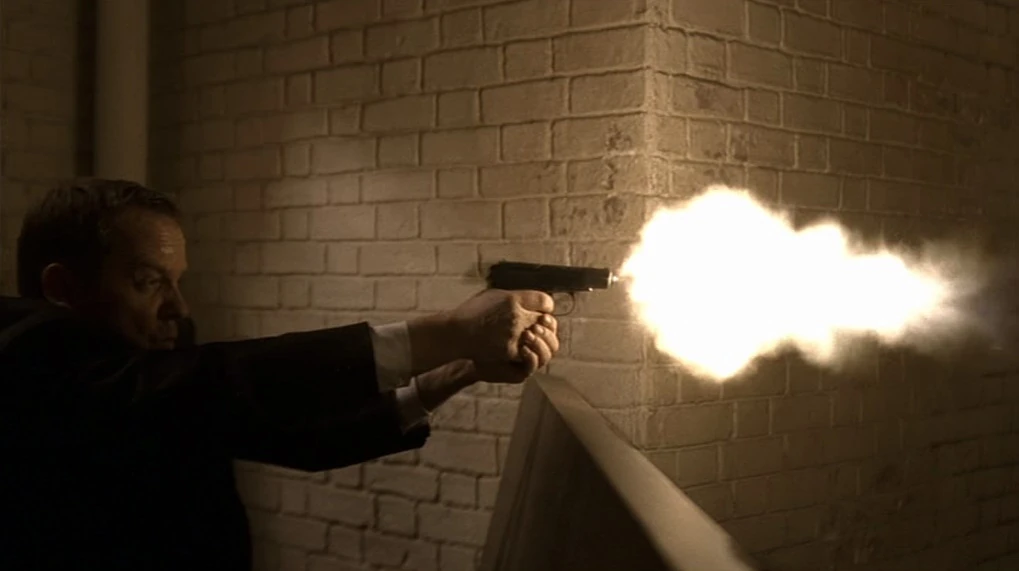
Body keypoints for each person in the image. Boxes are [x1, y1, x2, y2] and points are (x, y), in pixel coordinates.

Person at [0, 179, 560, 570]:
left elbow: (290, 434)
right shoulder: (27, 362)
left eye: (176, 282)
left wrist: (454, 371)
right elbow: (219, 383)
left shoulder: (137, 381)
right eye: (148, 282)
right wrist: (448, 333)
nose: (178, 308)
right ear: (63, 289)